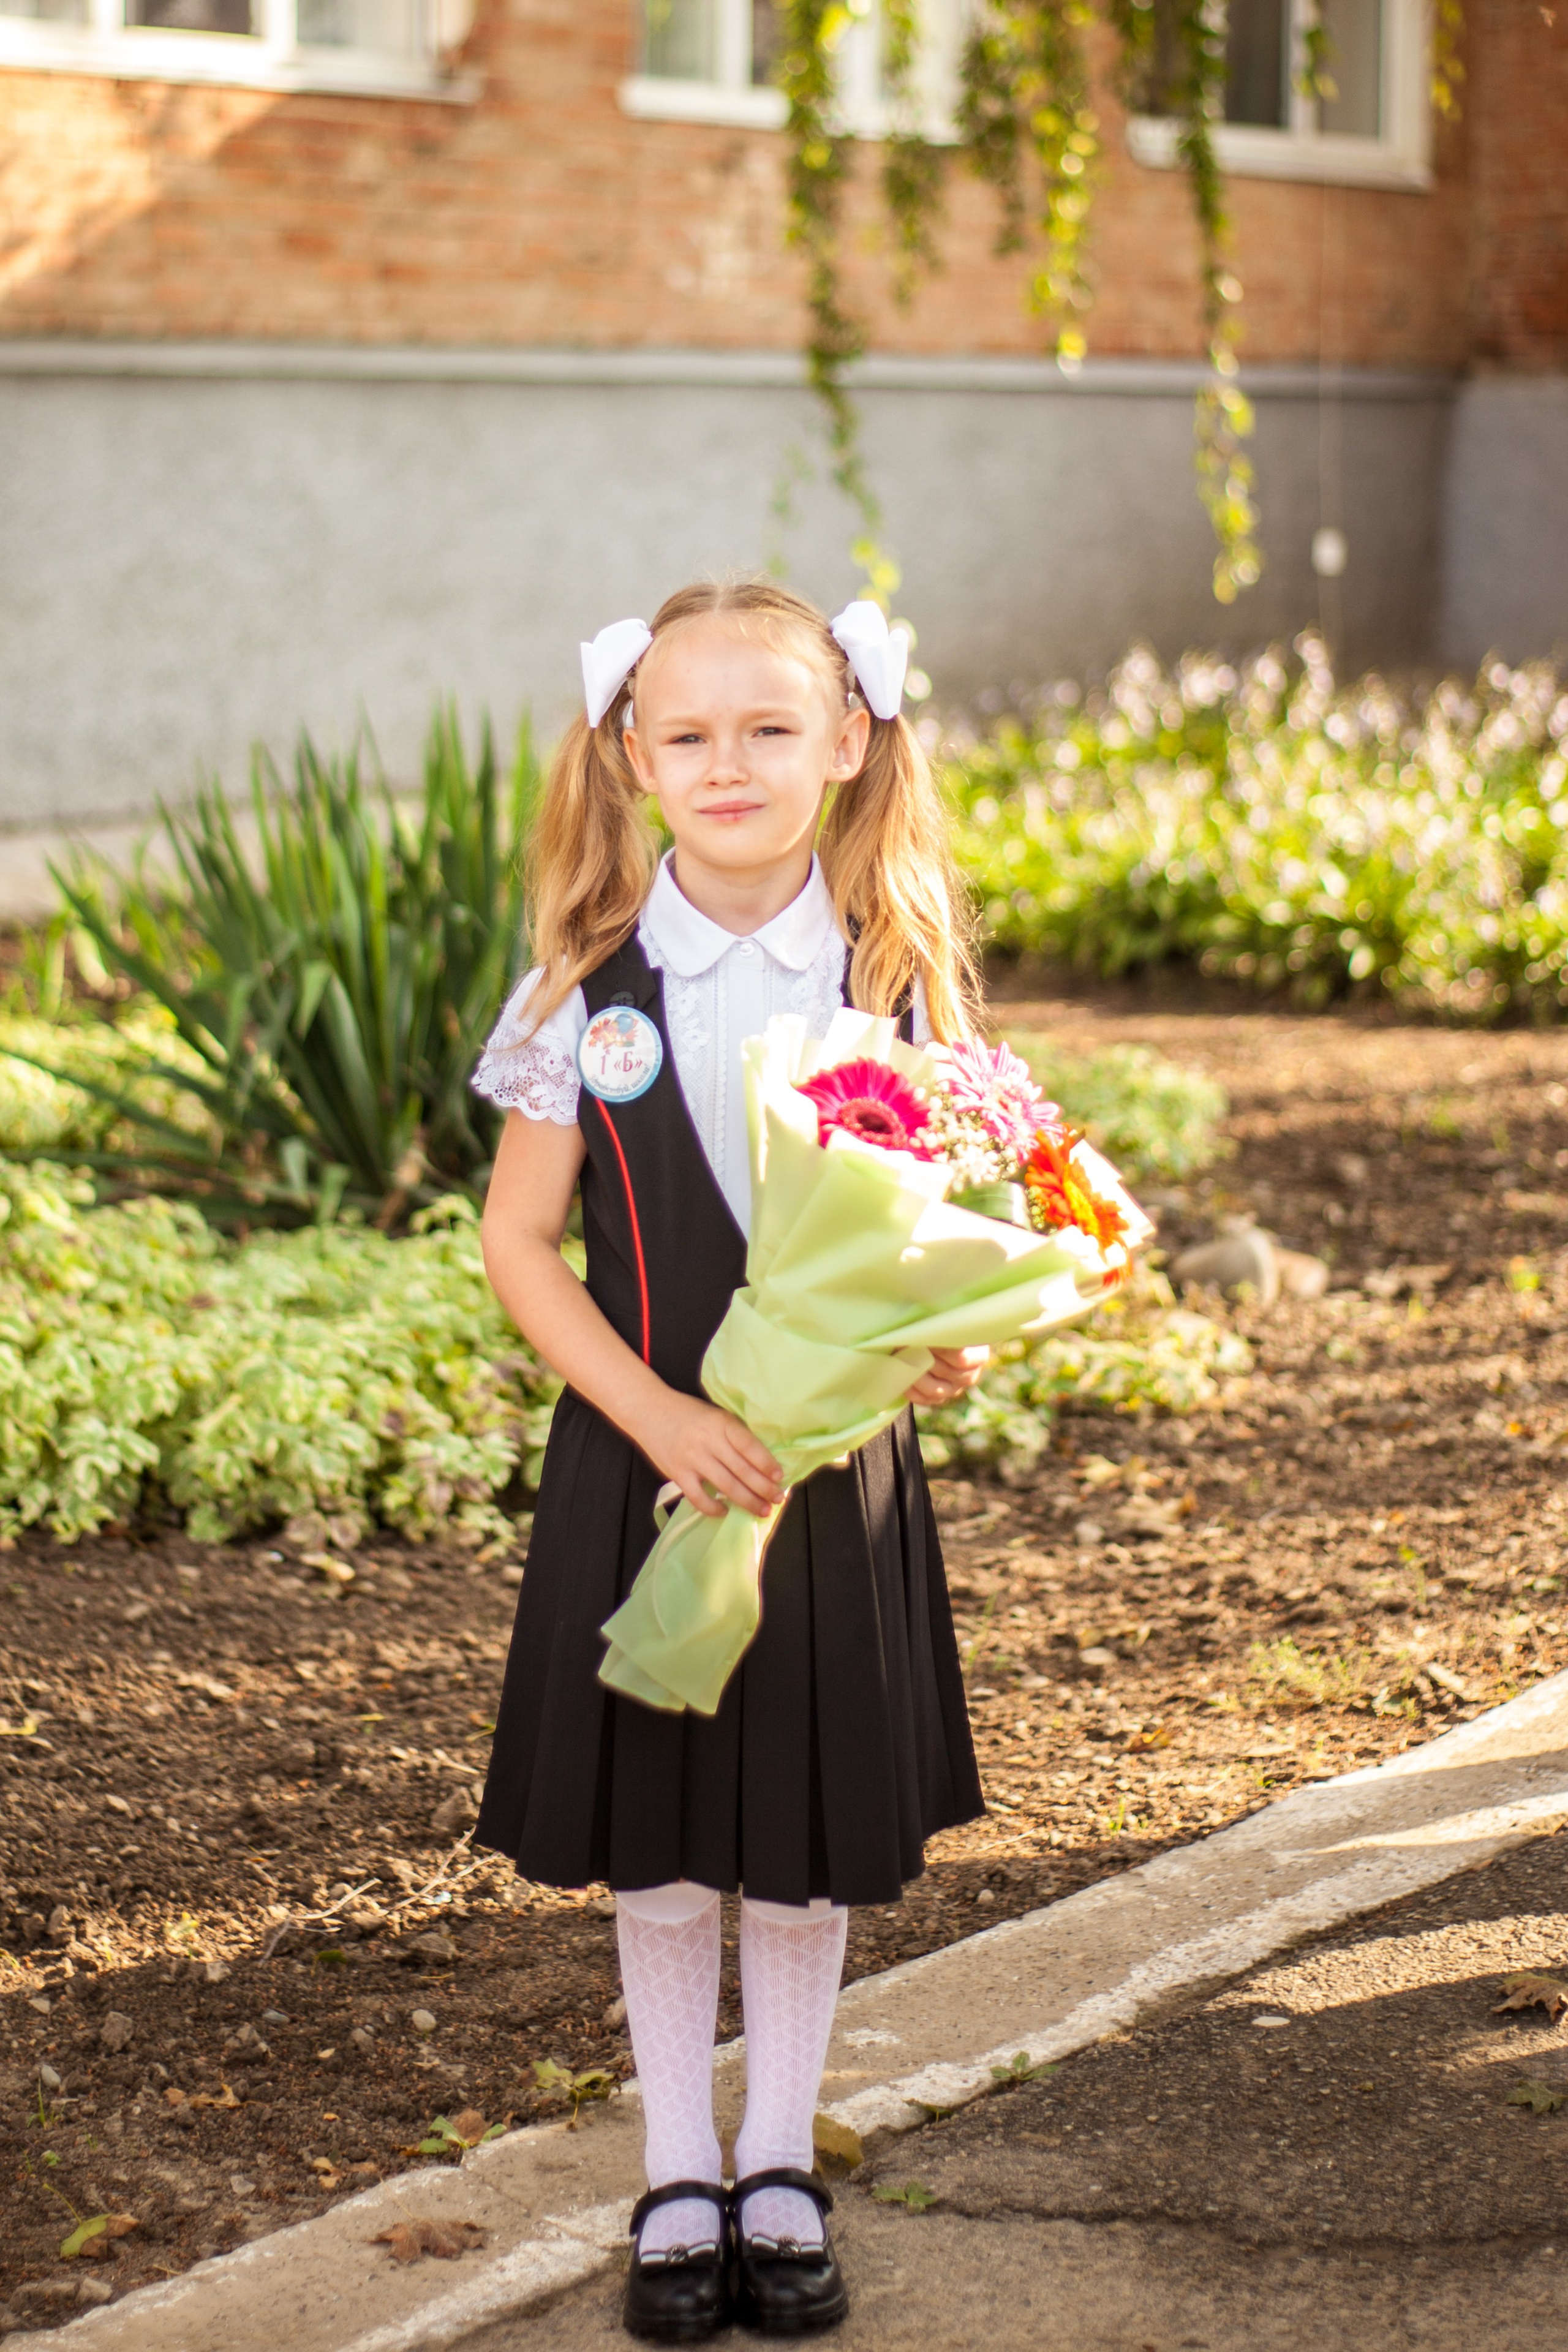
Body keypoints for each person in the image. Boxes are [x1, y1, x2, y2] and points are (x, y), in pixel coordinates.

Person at [472, 578, 989, 2340]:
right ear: (633, 755)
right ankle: (677, 2169)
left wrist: (945, 1326)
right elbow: (522, 1245)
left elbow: (930, 1232)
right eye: (688, 734)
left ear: (848, 744)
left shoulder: (893, 983)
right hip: (647, 1467)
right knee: (665, 1840)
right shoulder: (583, 994)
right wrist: (654, 1415)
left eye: (771, 728)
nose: (731, 764)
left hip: (826, 1479)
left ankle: (781, 2155)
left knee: (799, 1831)